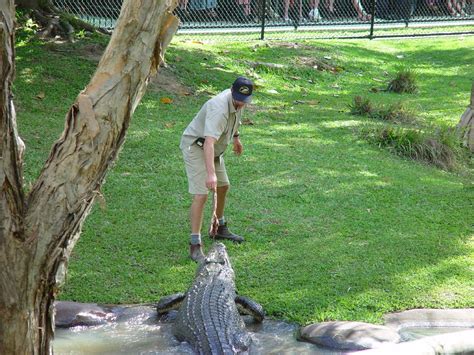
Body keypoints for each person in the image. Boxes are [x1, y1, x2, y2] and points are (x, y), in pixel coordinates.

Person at [180, 77, 253, 261]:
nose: (240, 103)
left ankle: (219, 227)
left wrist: (236, 137)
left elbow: (236, 117)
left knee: (223, 185)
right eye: (237, 99)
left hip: (214, 149)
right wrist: (210, 173)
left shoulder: (239, 103)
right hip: (197, 146)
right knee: (201, 194)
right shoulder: (218, 108)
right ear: (231, 90)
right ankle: (195, 244)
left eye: (244, 101)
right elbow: (208, 143)